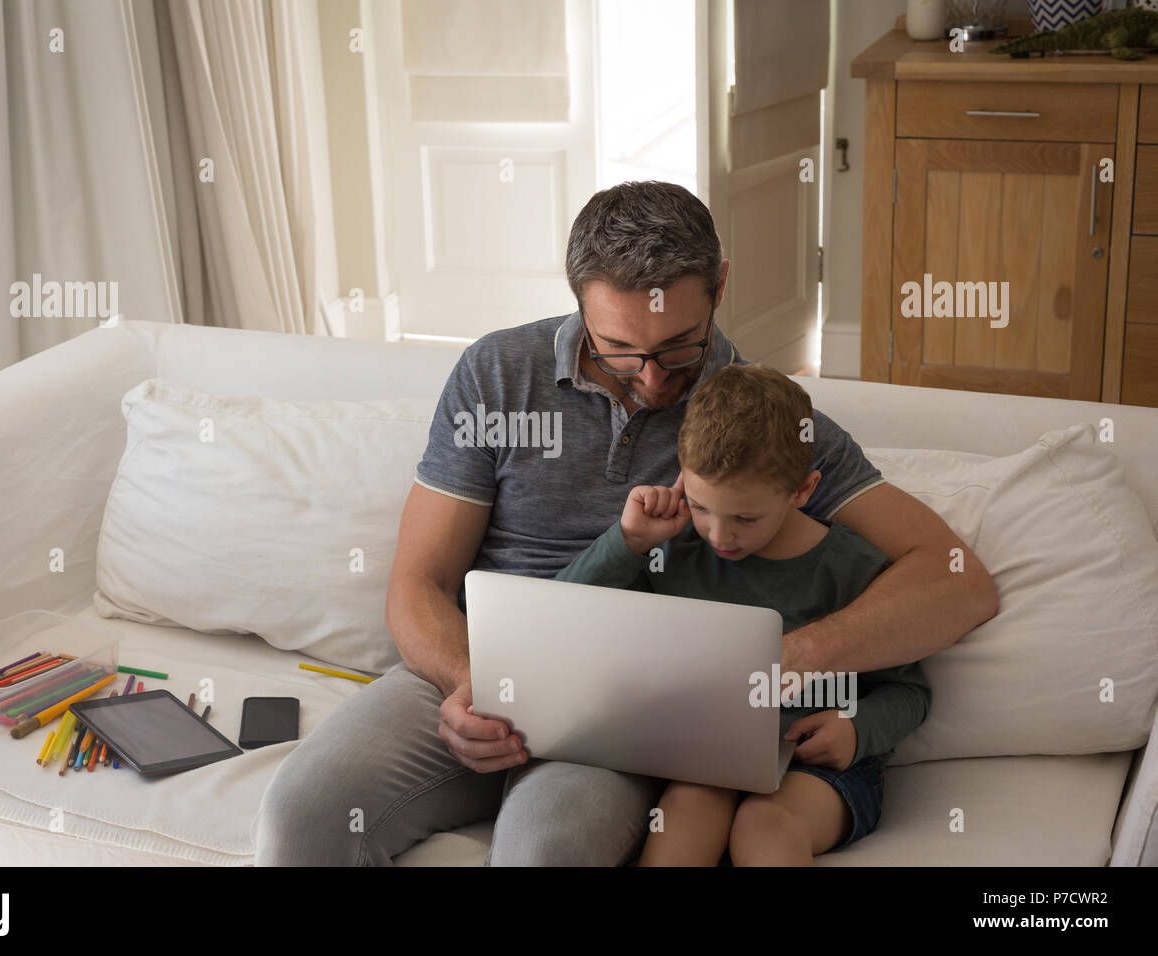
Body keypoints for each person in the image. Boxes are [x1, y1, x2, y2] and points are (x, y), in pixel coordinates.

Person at [254, 180, 997, 866]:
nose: (650, 378)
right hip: (478, 674)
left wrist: (790, 658)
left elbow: (958, 583)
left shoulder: (760, 426)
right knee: (302, 814)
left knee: (549, 851)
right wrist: (476, 680)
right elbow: (417, 584)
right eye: (620, 350)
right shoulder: (496, 376)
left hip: (624, 718)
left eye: (679, 348)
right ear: (579, 302)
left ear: (720, 289)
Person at [554, 363, 930, 865]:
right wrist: (628, 543)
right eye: (703, 506)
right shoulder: (671, 545)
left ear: (803, 490)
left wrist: (855, 727)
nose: (719, 536)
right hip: (705, 757)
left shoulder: (852, 568)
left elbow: (911, 689)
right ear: (683, 476)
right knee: (687, 810)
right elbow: (560, 617)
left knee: (766, 824)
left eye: (745, 518)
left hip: (816, 767)